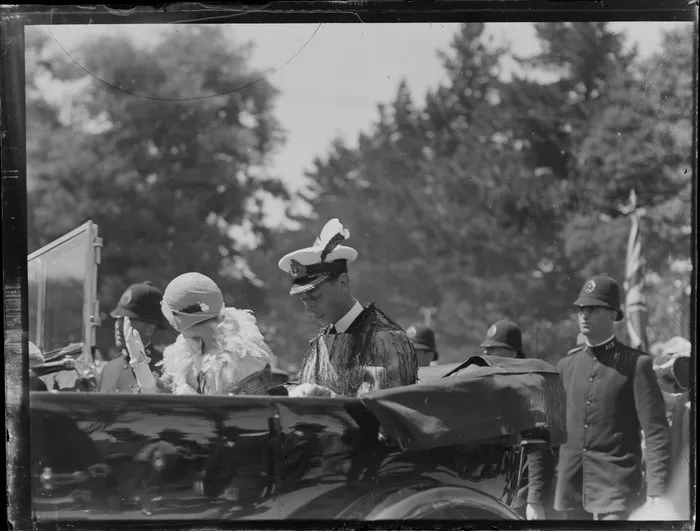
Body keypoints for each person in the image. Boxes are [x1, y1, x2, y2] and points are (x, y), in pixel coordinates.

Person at [528, 275, 671, 520]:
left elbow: (656, 431)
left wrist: (657, 490)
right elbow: (543, 436)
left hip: (617, 490)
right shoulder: (564, 367)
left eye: (592, 309)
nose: (584, 315)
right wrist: (534, 498)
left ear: (613, 314)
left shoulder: (636, 364)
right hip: (571, 489)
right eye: (581, 309)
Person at [276, 218, 418, 398]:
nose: (308, 309)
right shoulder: (319, 343)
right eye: (303, 300)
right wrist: (295, 390)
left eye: (315, 297)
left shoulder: (388, 340)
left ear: (342, 283)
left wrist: (331, 400)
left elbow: (385, 406)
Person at [128, 272, 274, 395]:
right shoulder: (185, 349)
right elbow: (161, 408)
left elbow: (247, 416)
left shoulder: (244, 357)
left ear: (180, 318)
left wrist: (193, 403)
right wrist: (141, 369)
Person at [99, 281, 169, 393]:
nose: (118, 325)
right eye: (118, 318)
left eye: (127, 320)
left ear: (150, 328)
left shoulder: (164, 369)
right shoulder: (108, 369)